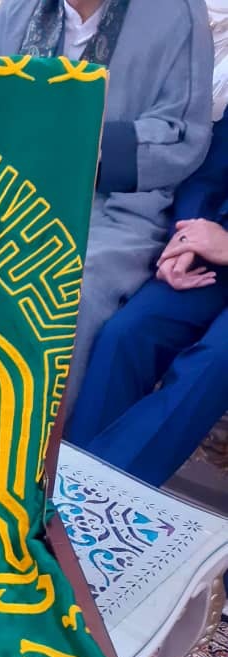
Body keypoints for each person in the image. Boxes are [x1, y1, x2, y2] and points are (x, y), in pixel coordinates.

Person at [0, 0, 215, 415]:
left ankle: (35, 441)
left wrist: (75, 144)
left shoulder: (176, 12)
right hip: (6, 194)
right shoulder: (19, 9)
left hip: (117, 206)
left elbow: (183, 135)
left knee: (63, 288)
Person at [67, 110, 228, 485]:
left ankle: (90, 497)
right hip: (213, 252)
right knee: (127, 333)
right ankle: (65, 477)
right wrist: (186, 238)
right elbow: (210, 172)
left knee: (216, 361)